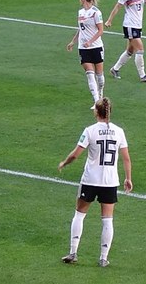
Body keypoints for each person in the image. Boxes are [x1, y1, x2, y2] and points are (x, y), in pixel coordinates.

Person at [58, 97, 133, 268]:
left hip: (90, 179)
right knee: (107, 220)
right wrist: (128, 178)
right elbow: (126, 159)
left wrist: (64, 162)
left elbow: (76, 154)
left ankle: (73, 252)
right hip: (110, 181)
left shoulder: (90, 131)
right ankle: (103, 258)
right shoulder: (119, 131)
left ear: (96, 112)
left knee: (79, 214)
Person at [105, 0, 146, 83]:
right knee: (140, 49)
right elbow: (117, 7)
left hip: (138, 25)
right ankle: (142, 76)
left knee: (130, 51)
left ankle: (115, 69)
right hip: (130, 25)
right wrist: (109, 20)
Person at [67, 0, 106, 107]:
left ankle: (101, 95)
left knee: (100, 76)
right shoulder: (80, 12)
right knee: (90, 74)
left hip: (96, 47)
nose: (80, 0)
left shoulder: (96, 13)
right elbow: (81, 28)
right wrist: (73, 41)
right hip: (83, 48)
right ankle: (96, 101)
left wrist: (90, 41)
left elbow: (100, 30)